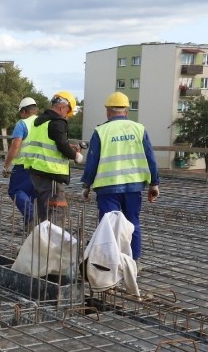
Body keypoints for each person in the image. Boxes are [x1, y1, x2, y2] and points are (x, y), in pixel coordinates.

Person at [81, 91, 159, 263]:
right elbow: (150, 157)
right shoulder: (139, 129)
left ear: (108, 111)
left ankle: (110, 263)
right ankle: (134, 262)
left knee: (108, 227)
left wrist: (86, 184)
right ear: (126, 111)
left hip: (107, 188)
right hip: (133, 186)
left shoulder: (101, 131)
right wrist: (154, 183)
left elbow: (92, 160)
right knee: (132, 223)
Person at [21, 90, 83, 223]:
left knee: (42, 211)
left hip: (36, 172)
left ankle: (41, 241)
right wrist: (76, 156)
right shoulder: (57, 122)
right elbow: (61, 145)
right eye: (67, 112)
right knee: (56, 211)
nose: (67, 116)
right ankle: (52, 242)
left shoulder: (39, 121)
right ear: (62, 107)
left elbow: (49, 143)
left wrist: (66, 146)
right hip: (51, 174)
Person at [2, 97, 38, 228]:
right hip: (41, 167)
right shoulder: (43, 124)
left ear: (23, 111)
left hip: (24, 165)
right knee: (32, 195)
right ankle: (33, 222)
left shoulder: (22, 124)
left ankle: (31, 217)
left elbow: (15, 146)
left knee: (15, 190)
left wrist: (6, 166)